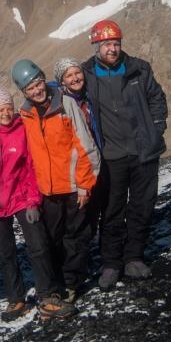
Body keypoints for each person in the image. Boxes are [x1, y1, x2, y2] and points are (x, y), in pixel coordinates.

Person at [80, 19, 168, 291]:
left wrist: (155, 129)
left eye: (116, 43)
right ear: (96, 45)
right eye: (107, 44)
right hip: (110, 157)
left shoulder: (139, 69)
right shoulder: (86, 75)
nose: (113, 49)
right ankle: (111, 263)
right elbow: (64, 92)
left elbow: (157, 99)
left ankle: (134, 257)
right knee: (112, 211)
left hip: (143, 152)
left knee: (142, 206)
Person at [0, 88, 75, 321]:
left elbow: (32, 167)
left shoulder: (23, 130)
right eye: (1, 109)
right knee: (6, 253)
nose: (6, 113)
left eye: (9, 108)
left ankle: (48, 296)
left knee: (39, 246)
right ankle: (16, 299)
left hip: (21, 198)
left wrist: (33, 201)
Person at [11, 59, 100, 304]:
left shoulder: (66, 104)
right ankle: (59, 281)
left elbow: (86, 146)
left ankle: (71, 283)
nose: (37, 90)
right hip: (47, 190)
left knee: (76, 238)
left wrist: (84, 184)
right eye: (30, 88)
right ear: (23, 92)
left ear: (44, 79)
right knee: (53, 239)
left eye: (38, 83)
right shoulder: (25, 114)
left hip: (73, 186)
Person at [54, 57, 106, 248]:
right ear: (62, 80)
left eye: (77, 73)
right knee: (79, 222)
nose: (75, 78)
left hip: (96, 162)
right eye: (69, 75)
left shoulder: (89, 97)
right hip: (77, 171)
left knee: (94, 214)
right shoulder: (60, 103)